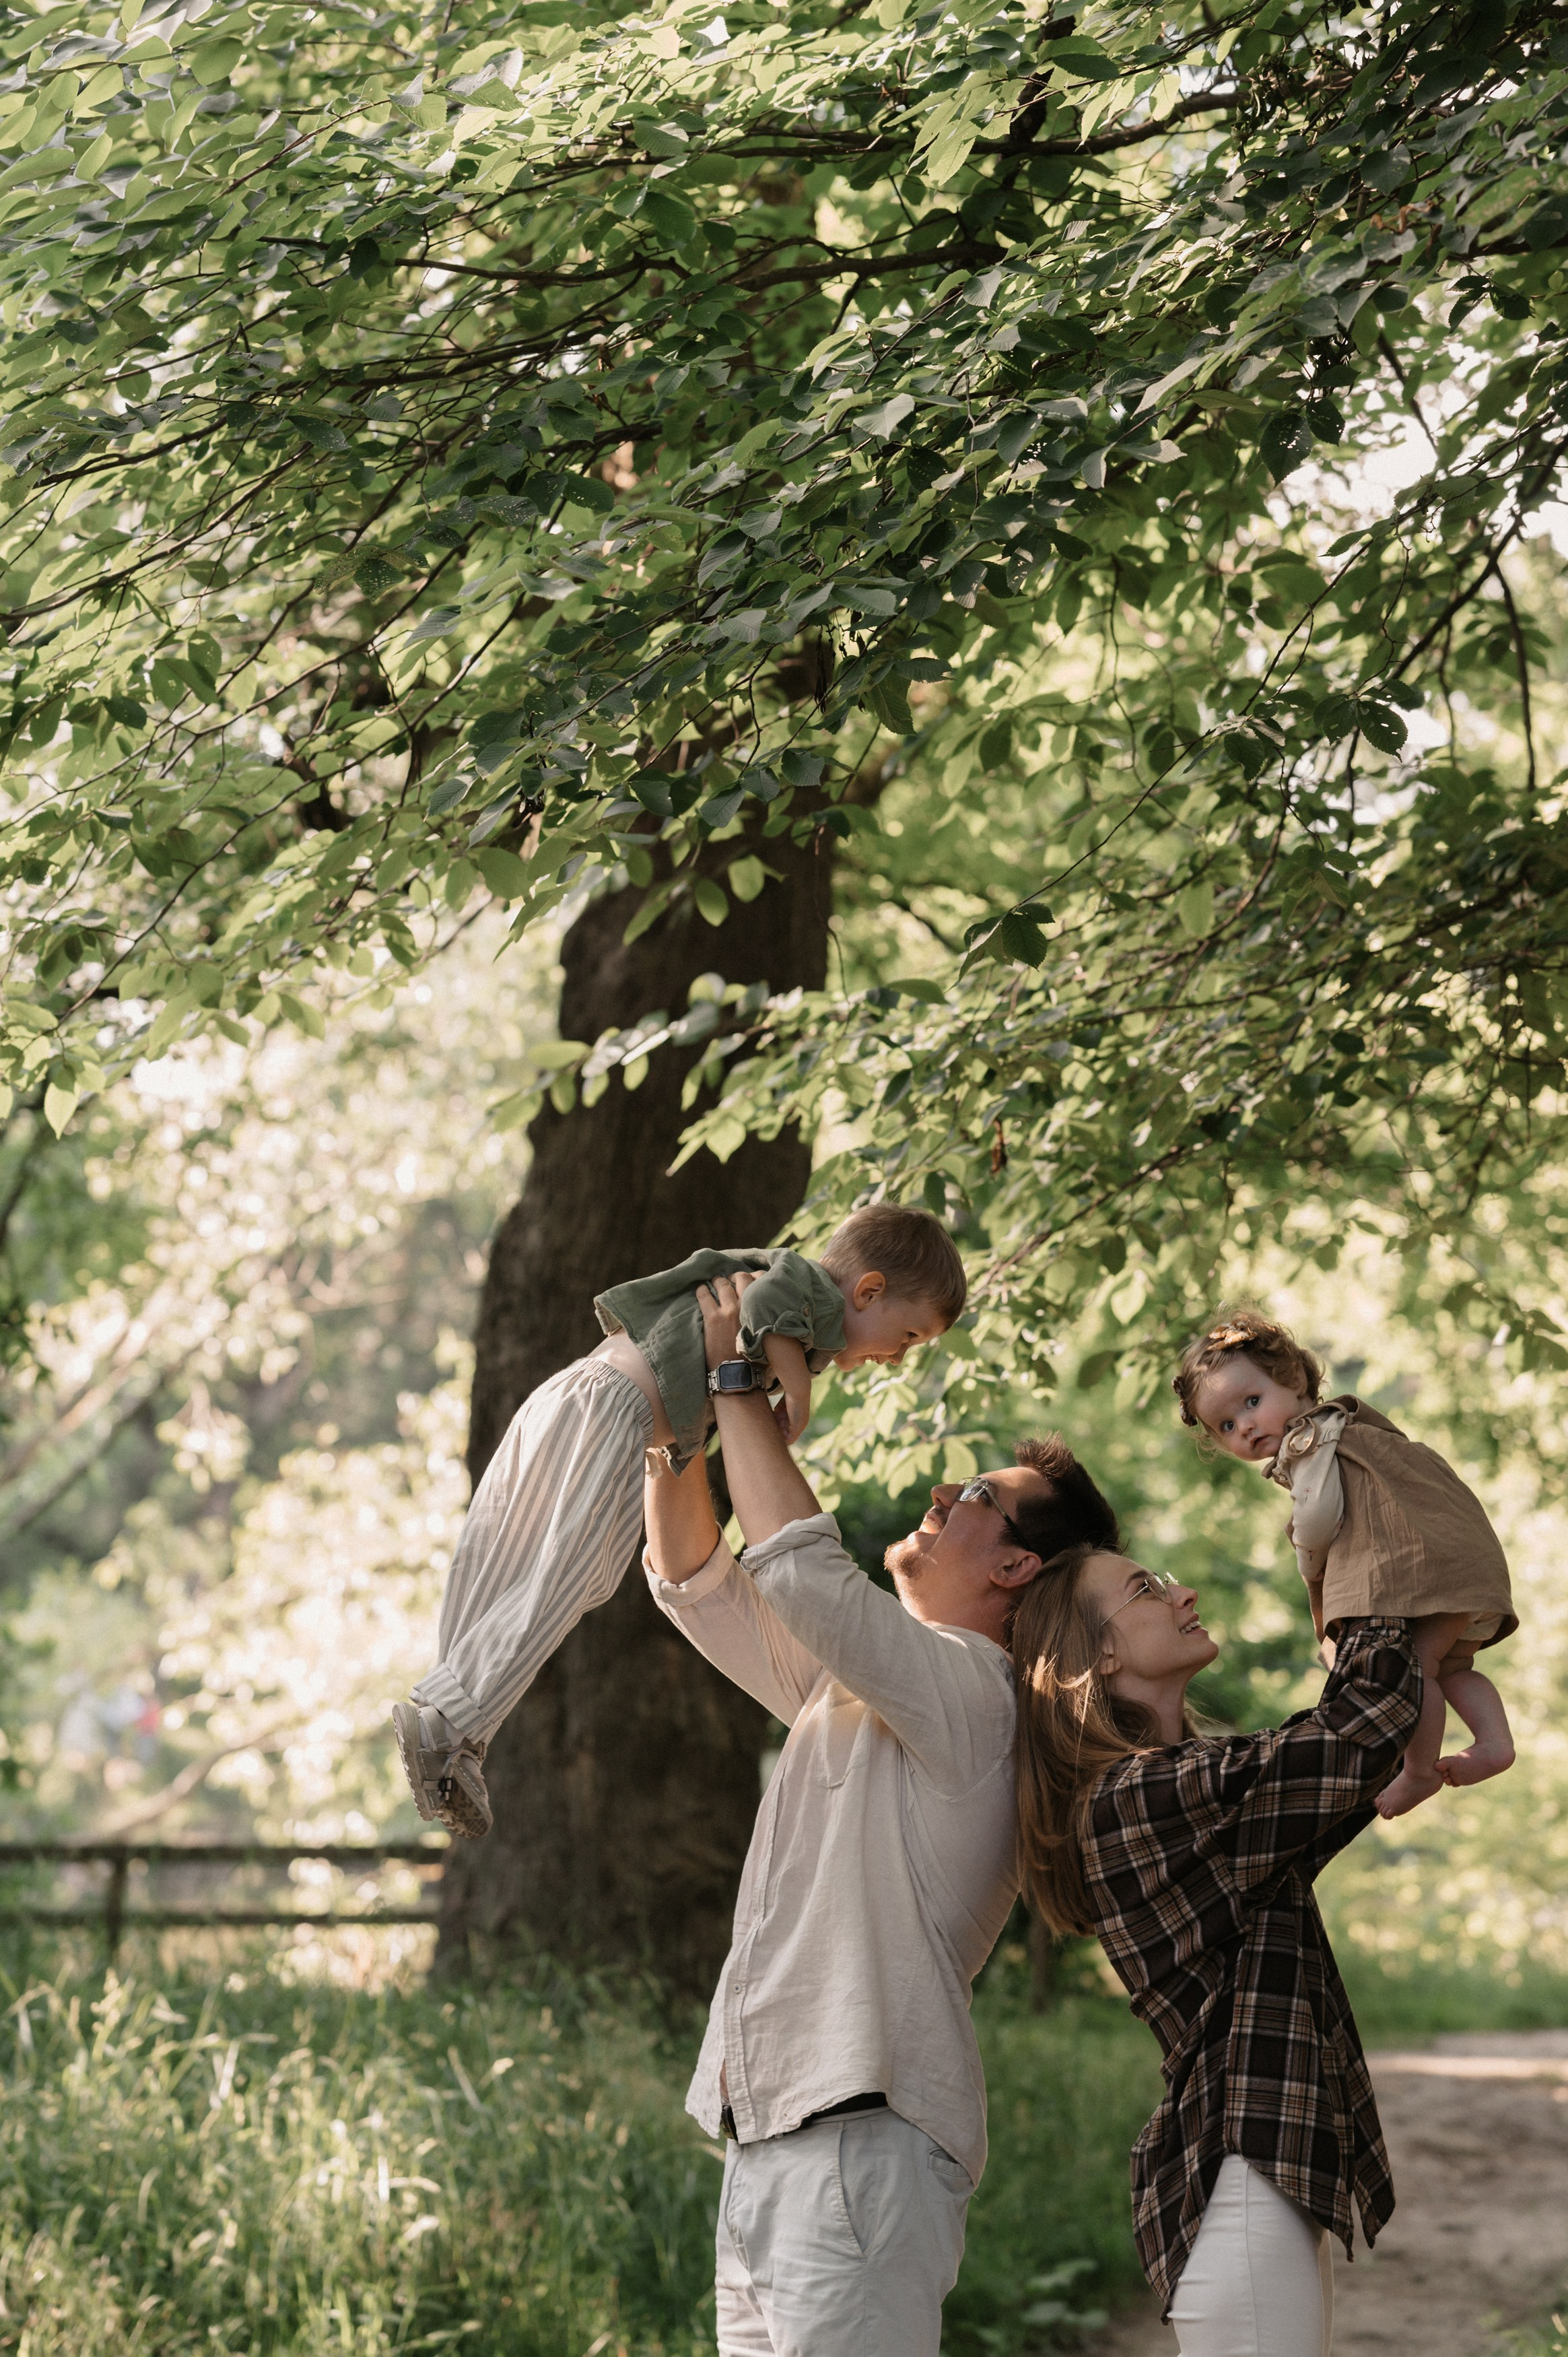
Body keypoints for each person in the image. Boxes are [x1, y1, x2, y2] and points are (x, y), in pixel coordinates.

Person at [642, 1269, 1120, 2357]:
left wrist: (733, 1382)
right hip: (771, 2139)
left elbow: (806, 1576)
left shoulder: (978, 1696)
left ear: (1013, 1566)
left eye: (978, 1500)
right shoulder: (849, 1687)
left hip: (859, 2146)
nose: (942, 1497)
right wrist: (676, 1430)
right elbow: (693, 1578)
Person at [394, 1203, 966, 1836]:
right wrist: (797, 1391)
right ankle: (453, 1723)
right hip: (616, 1411)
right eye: (908, 1337)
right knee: (571, 1567)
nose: (897, 1359)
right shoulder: (811, 1297)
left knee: (513, 1552)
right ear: (869, 1290)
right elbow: (763, 1306)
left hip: (583, 1396)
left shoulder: (807, 1307)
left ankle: (448, 1713)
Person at [1013, 1538, 1425, 2357]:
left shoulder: (1182, 1794)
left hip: (1257, 2191)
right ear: (1096, 1647)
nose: (1184, 1590)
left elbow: (1343, 1768)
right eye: (1146, 1587)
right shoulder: (1141, 1798)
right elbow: (1353, 1735)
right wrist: (1373, 1572)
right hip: (1244, 2192)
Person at [1172, 1308, 1515, 1816]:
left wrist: (1307, 1560)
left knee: (1415, 1668)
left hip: (1418, 1568)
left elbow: (1318, 1517)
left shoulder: (1309, 1440)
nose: (1244, 1426)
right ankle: (1494, 1742)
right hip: (1453, 1557)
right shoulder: (1349, 1423)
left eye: (1251, 1402)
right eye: (1225, 1424)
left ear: (1293, 1380)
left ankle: (1419, 1771)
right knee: (1451, 1664)